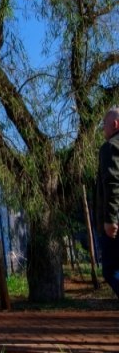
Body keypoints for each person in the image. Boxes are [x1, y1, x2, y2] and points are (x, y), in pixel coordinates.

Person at [96, 107, 119, 298]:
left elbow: (112, 182)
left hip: (116, 222)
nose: (102, 129)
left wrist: (110, 219)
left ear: (115, 124)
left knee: (110, 270)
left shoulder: (111, 147)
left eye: (104, 124)